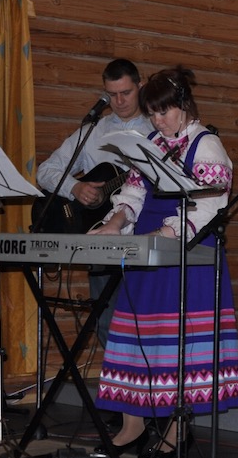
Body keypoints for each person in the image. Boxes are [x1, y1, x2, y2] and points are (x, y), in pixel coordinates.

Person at [88, 66, 238, 458]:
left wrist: (169, 233)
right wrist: (115, 222)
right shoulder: (153, 142)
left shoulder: (206, 145)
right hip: (149, 249)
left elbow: (210, 204)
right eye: (153, 113)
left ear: (184, 105)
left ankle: (177, 428)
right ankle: (132, 425)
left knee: (177, 343)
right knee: (133, 336)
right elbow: (134, 191)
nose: (158, 120)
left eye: (165, 112)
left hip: (187, 252)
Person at [35, 58, 153, 344]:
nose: (119, 101)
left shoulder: (156, 129)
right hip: (100, 240)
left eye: (126, 92)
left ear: (141, 85)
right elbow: (45, 171)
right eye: (112, 95)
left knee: (146, 321)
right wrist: (74, 188)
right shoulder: (94, 130)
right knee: (106, 320)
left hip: (145, 235)